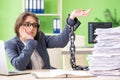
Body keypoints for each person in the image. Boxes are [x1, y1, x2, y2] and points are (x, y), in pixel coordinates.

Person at [5, 8, 92, 70]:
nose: (32, 28)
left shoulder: (40, 37)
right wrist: (30, 42)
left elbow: (61, 41)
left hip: (47, 74)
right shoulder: (10, 44)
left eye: (35, 25)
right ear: (19, 26)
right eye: (27, 24)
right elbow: (19, 65)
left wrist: (72, 17)